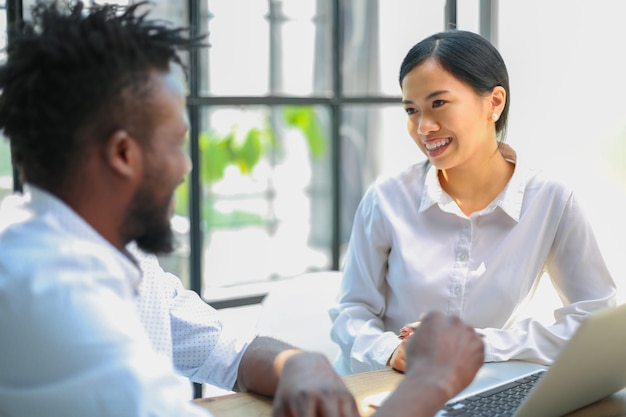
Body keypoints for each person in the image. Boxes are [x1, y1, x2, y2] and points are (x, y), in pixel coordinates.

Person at [0, 3, 485, 417]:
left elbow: (217, 346)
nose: (185, 168)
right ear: (123, 154)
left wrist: (295, 362)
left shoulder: (103, 250)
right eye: (176, 144)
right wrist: (434, 382)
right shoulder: (46, 295)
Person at [329, 29, 617, 375]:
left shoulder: (551, 202)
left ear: (495, 102)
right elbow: (351, 310)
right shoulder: (387, 197)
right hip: (376, 386)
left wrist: (479, 344)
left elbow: (596, 320)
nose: (423, 127)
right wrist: (391, 350)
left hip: (474, 388)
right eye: (411, 110)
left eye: (438, 103)